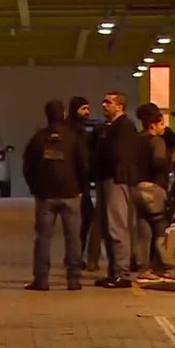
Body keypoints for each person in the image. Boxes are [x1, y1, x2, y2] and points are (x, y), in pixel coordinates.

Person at [22, 99, 88, 291]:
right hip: (71, 193)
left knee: (43, 237)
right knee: (73, 237)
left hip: (45, 195)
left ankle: (41, 279)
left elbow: (28, 166)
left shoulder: (39, 138)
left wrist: (35, 187)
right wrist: (82, 188)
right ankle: (73, 279)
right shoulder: (74, 137)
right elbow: (83, 164)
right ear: (64, 114)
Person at [93, 91, 139, 289]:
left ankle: (122, 273)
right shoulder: (108, 128)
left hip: (118, 180)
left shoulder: (125, 127)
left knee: (117, 226)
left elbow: (121, 154)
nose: (104, 105)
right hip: (106, 179)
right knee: (107, 227)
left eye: (108, 102)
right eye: (103, 101)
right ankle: (113, 271)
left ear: (120, 106)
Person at [132, 104, 175, 283]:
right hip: (154, 188)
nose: (164, 128)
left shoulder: (137, 140)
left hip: (137, 188)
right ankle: (168, 268)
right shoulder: (157, 142)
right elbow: (159, 161)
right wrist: (169, 164)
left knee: (143, 230)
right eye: (161, 124)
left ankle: (143, 269)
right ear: (153, 125)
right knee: (161, 229)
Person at [67, 97, 95, 257]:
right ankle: (75, 255)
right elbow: (83, 159)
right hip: (78, 184)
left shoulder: (71, 129)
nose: (87, 113)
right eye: (84, 109)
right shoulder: (78, 132)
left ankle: (74, 254)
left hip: (75, 183)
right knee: (82, 221)